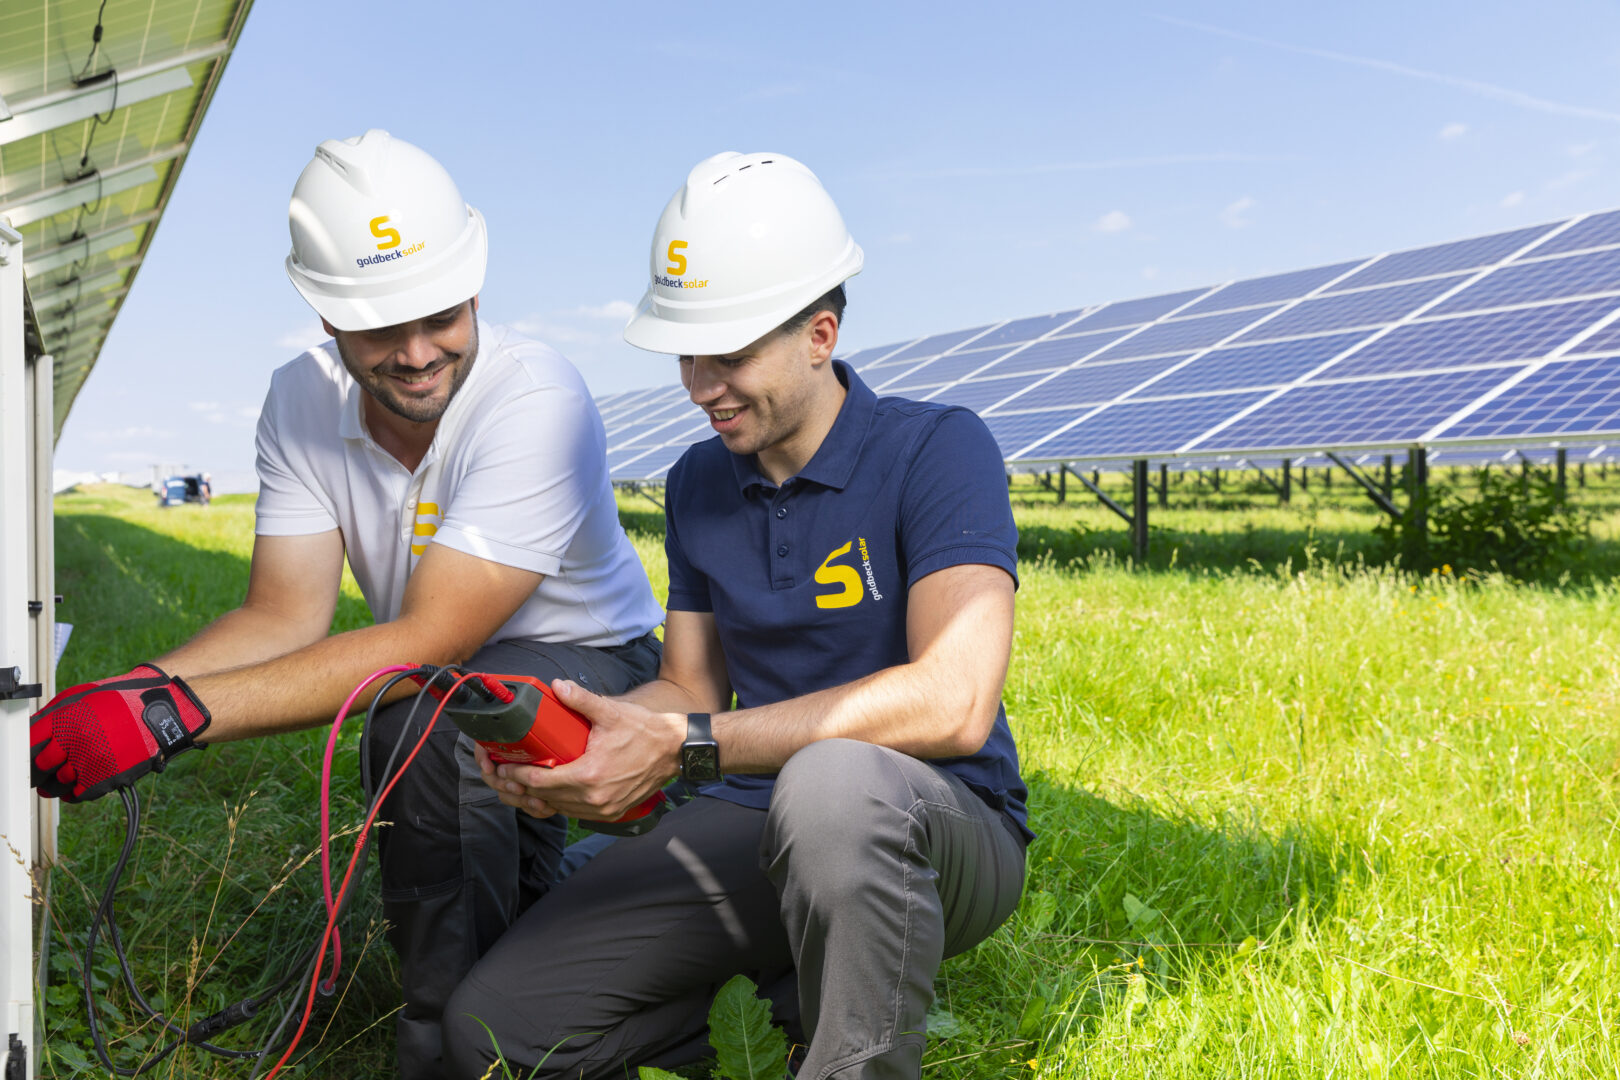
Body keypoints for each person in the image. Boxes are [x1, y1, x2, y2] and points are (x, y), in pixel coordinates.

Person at [28, 130, 665, 1079]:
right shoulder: (300, 401)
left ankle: (461, 1048)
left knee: (426, 716)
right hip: (463, 671)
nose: (416, 355)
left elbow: (431, 638)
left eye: (440, 316)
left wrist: (169, 718)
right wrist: (123, 694)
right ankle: (540, 960)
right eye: (378, 329)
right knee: (446, 732)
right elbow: (283, 616)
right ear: (323, 316)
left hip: (597, 669)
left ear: (477, 287)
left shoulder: (535, 398)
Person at [442, 151, 1031, 1080]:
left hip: (939, 821)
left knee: (832, 786)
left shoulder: (937, 448)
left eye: (730, 355)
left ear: (820, 334)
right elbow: (689, 684)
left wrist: (690, 745)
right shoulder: (697, 483)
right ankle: (754, 1015)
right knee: (495, 1028)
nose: (700, 384)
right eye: (687, 354)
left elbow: (951, 701)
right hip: (751, 812)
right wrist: (585, 736)